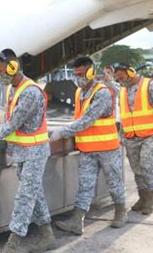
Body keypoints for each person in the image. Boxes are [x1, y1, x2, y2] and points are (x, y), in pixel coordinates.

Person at [0, 48, 55, 253]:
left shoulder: (30, 92)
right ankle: (47, 235)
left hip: (35, 152)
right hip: (22, 152)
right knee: (34, 194)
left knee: (24, 197)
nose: (0, 76)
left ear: (13, 67)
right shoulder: (14, 89)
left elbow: (13, 123)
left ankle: (12, 245)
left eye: (2, 71)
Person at [51, 56, 126, 235]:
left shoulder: (102, 92)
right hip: (87, 149)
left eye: (81, 74)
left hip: (107, 148)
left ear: (92, 72)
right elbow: (78, 117)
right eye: (75, 74)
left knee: (114, 181)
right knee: (84, 186)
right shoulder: (79, 93)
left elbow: (87, 120)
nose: (78, 78)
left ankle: (121, 212)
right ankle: (77, 222)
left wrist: (64, 131)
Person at [114, 63, 153, 215]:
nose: (120, 81)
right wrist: (121, 135)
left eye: (122, 77)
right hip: (131, 137)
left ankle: (150, 200)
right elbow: (123, 114)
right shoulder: (122, 90)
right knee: (136, 169)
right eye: (117, 79)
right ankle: (142, 198)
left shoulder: (151, 85)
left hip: (149, 136)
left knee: (146, 167)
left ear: (131, 72)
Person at [102, 65, 121, 129]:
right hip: (102, 117)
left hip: (114, 117)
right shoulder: (99, 85)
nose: (106, 75)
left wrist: (109, 81)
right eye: (104, 73)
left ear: (113, 74)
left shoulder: (117, 85)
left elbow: (117, 92)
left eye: (108, 73)